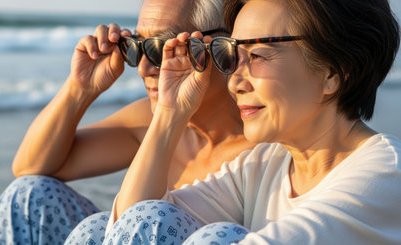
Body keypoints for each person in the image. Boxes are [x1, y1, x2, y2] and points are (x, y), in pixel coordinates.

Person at [93, 0, 401, 244]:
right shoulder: (265, 163)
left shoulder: (384, 174)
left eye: (257, 55)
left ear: (333, 72)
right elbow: (134, 224)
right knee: (97, 228)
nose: (234, 82)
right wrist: (170, 113)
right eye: (231, 55)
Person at [0, 0, 254, 244]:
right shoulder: (148, 119)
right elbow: (30, 167)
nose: (144, 68)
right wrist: (80, 89)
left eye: (161, 48)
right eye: (135, 46)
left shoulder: (265, 142)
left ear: (222, 46)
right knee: (31, 195)